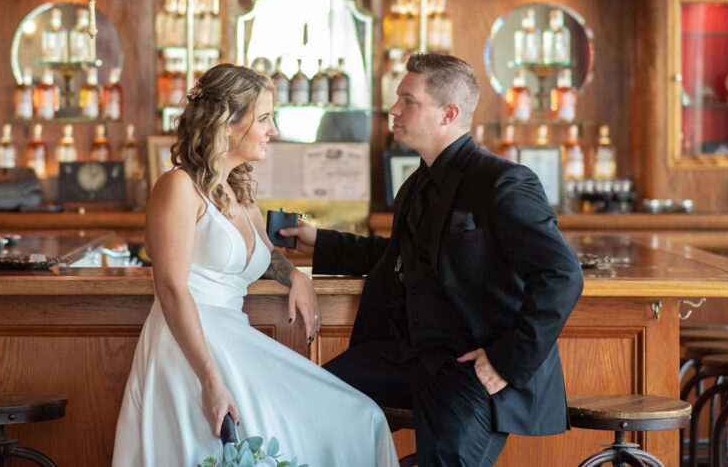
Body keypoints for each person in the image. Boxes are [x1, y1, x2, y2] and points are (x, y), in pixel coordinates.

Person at [280, 52, 584, 467]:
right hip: (410, 357)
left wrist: (506, 360)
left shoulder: (503, 181)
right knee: (307, 396)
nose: (393, 109)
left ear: (449, 113)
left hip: (470, 366)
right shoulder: (416, 183)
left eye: (409, 100)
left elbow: (562, 274)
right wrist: (318, 242)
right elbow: (393, 255)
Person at [112, 63, 398, 467]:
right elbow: (172, 289)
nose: (274, 130)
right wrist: (210, 380)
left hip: (234, 338)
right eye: (264, 118)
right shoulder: (177, 186)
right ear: (226, 123)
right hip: (191, 350)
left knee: (362, 417)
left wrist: (295, 275)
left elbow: (265, 257)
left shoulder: (239, 191)